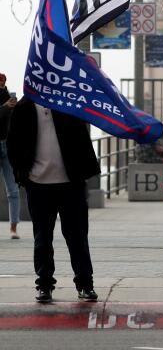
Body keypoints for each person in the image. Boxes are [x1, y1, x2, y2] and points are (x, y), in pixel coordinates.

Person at [6, 98, 100, 303]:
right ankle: (44, 286)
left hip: (71, 184)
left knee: (77, 238)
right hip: (38, 184)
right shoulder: (24, 107)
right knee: (42, 238)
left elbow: (82, 138)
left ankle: (85, 284)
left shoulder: (66, 103)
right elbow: (13, 144)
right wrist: (23, 174)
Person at [0, 73, 21, 239]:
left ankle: (14, 227)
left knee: (13, 190)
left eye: (2, 80)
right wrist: (5, 107)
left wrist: (16, 107)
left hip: (8, 145)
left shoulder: (9, 98)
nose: (1, 83)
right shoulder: (6, 103)